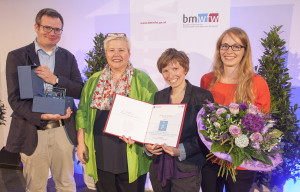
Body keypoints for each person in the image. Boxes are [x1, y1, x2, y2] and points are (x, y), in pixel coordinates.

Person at [5, 8, 83, 191]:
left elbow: (80, 90)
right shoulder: (17, 56)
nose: (52, 33)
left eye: (57, 30)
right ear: (36, 27)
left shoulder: (68, 57)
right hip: (32, 131)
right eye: (47, 28)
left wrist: (55, 80)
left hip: (63, 131)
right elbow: (15, 99)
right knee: (36, 186)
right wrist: (42, 115)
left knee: (66, 184)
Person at [76, 33, 158, 192]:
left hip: (131, 150)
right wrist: (81, 143)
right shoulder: (94, 80)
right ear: (105, 53)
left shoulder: (141, 80)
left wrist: (142, 136)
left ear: (129, 53)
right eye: (111, 50)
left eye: (121, 50)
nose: (116, 55)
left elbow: (154, 111)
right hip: (100, 148)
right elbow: (82, 113)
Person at [200, 27, 271, 192]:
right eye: (224, 46)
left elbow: (263, 124)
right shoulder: (207, 80)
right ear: (219, 49)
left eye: (236, 46)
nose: (229, 51)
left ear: (244, 51)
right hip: (211, 161)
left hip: (242, 163)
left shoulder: (257, 83)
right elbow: (202, 119)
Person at [145, 48, 214, 192]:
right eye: (165, 71)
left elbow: (208, 136)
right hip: (159, 168)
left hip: (187, 169)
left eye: (175, 68)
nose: (171, 75)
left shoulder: (202, 96)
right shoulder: (159, 96)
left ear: (185, 69)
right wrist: (148, 147)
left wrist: (180, 150)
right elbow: (151, 129)